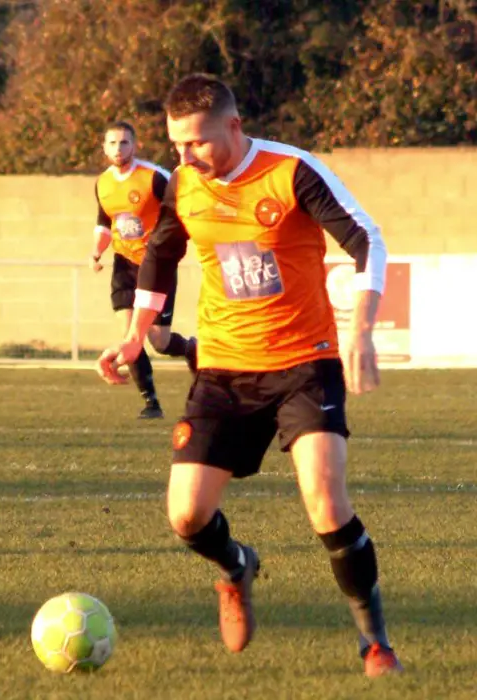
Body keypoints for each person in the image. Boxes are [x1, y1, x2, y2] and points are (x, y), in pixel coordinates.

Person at [96, 74, 402, 677]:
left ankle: (375, 643)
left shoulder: (291, 172)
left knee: (325, 503)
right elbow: (160, 256)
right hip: (223, 370)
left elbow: (366, 238)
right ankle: (237, 566)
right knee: (186, 518)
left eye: (198, 143)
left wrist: (360, 329)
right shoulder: (183, 184)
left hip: (303, 364)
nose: (184, 158)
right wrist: (135, 335)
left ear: (234, 128)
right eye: (176, 144)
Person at [90, 120, 196, 419]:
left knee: (159, 341)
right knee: (128, 334)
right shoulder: (102, 183)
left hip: (156, 265)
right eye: (112, 143)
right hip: (124, 264)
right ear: (104, 148)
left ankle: (191, 350)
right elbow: (104, 223)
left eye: (124, 142)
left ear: (135, 146)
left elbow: (180, 211)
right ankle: (151, 403)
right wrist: (97, 252)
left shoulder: (155, 178)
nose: (118, 148)